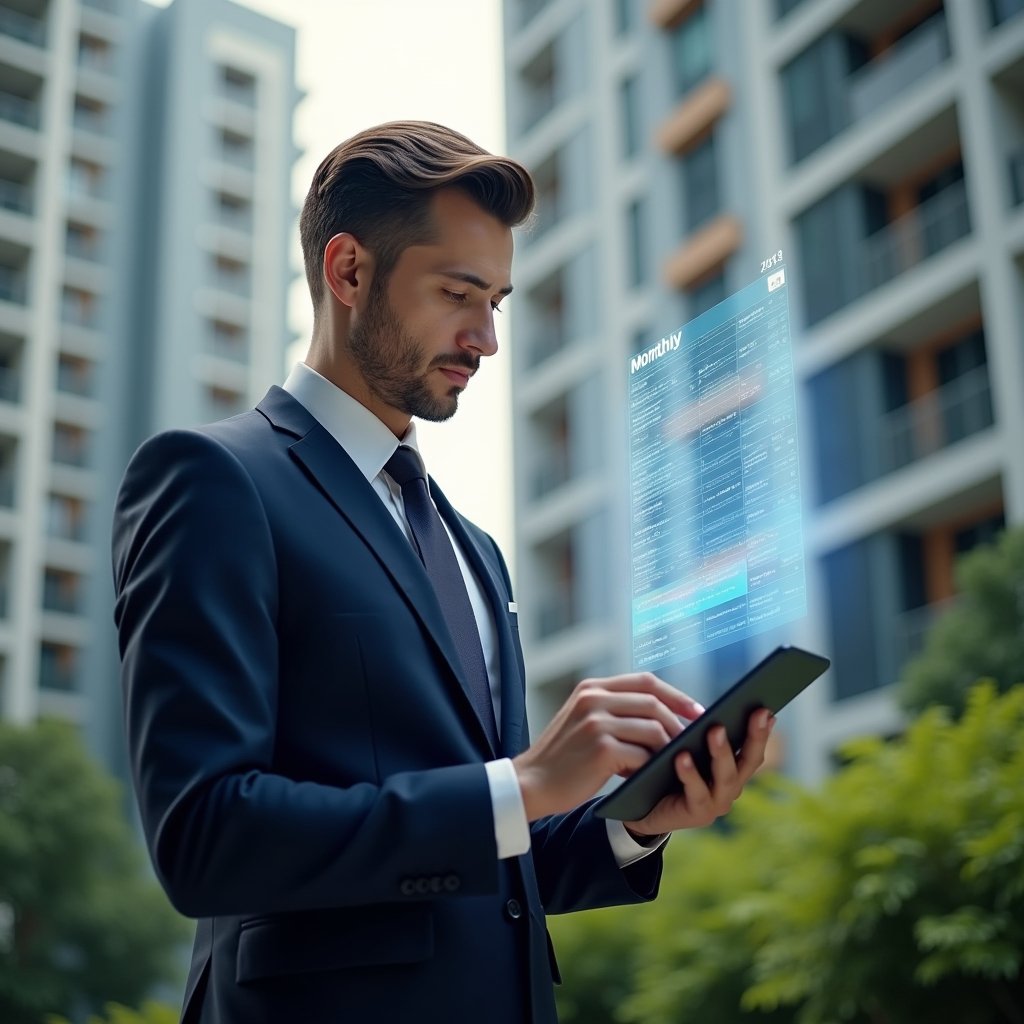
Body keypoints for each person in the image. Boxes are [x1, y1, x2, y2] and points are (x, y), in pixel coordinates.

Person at [112, 121, 774, 1024]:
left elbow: (492, 864)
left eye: (497, 299)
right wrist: (525, 783)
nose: (487, 338)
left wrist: (635, 818)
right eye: (460, 294)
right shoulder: (215, 480)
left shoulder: (475, 549)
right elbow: (205, 837)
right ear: (348, 273)